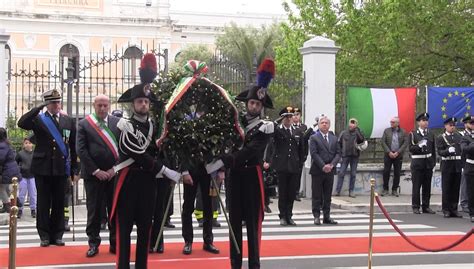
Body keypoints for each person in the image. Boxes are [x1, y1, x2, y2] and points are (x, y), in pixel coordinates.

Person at [110, 53, 181, 269]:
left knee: (145, 229)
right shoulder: (124, 125)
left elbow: (152, 151)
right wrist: (165, 170)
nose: (143, 104)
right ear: (133, 104)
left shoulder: (152, 126)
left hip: (148, 185)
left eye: (146, 101)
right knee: (124, 232)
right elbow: (135, 153)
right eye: (139, 101)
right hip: (128, 182)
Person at [205, 58, 275, 269]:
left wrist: (222, 162)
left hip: (252, 178)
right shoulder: (235, 124)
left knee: (253, 225)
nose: (253, 106)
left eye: (257, 104)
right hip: (235, 178)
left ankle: (254, 264)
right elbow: (226, 144)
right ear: (246, 104)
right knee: (234, 223)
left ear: (261, 106)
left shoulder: (264, 127)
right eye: (251, 103)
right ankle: (235, 263)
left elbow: (249, 152)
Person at [17, 89, 78, 247]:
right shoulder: (39, 120)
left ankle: (57, 234)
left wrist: (74, 170)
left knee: (59, 202)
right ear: (47, 104)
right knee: (43, 203)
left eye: (58, 101)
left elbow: (73, 146)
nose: (56, 104)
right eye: (52, 102)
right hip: (42, 168)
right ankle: (44, 235)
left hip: (60, 168)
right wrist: (38, 107)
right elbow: (22, 123)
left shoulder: (68, 121)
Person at [76, 94, 120, 257]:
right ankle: (93, 243)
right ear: (94, 106)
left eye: (105, 105)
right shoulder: (84, 124)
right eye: (99, 105)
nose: (102, 108)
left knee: (114, 209)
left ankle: (115, 243)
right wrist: (96, 171)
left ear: (109, 106)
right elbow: (81, 150)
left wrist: (113, 169)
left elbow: (123, 148)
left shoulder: (117, 123)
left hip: (113, 175)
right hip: (93, 176)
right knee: (94, 211)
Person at [264, 106, 304, 226]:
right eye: (286, 117)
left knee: (291, 193)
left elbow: (302, 149)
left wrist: (300, 162)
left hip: (294, 166)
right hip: (282, 166)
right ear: (282, 118)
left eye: (290, 117)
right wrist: (278, 120)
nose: (288, 119)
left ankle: (289, 215)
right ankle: (282, 216)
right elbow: (271, 139)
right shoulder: (278, 130)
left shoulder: (297, 131)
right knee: (282, 193)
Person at [309, 115, 341, 225]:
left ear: (329, 125)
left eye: (326, 123)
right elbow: (314, 153)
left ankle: (327, 216)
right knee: (317, 194)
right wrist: (323, 166)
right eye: (322, 122)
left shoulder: (334, 138)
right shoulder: (314, 137)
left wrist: (332, 165)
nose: (324, 124)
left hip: (330, 170)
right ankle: (316, 216)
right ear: (318, 125)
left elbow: (338, 153)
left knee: (327, 195)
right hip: (318, 170)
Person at [409, 112, 436, 215]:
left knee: (427, 186)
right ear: (418, 122)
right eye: (423, 121)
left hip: (428, 163)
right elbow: (411, 149)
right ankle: (416, 206)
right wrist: (419, 146)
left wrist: (433, 163)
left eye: (426, 121)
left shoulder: (430, 133)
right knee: (416, 186)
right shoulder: (413, 134)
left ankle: (426, 206)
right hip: (418, 163)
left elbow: (433, 150)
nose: (425, 123)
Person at [436, 117, 463, 218]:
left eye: (453, 125)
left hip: (457, 164)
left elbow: (462, 151)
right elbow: (439, 152)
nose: (452, 127)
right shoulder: (441, 137)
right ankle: (446, 209)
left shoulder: (458, 136)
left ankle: (454, 209)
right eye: (450, 125)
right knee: (447, 188)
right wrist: (447, 151)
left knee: (455, 188)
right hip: (447, 165)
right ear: (446, 126)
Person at [335, 118, 365, 198]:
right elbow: (338, 143)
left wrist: (357, 129)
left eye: (354, 123)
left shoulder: (358, 132)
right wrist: (340, 154)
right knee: (341, 173)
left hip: (355, 156)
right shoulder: (344, 133)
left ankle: (351, 191)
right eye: (351, 123)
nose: (351, 124)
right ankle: (338, 190)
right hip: (345, 156)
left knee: (353, 174)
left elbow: (362, 140)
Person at [381, 117, 408, 197]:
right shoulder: (387, 131)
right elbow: (383, 142)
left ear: (397, 123)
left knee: (397, 173)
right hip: (388, 155)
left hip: (398, 155)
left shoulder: (403, 131)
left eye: (393, 122)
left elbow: (405, 143)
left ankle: (394, 190)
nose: (391, 123)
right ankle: (385, 189)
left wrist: (398, 152)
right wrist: (389, 152)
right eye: (391, 122)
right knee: (386, 172)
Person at [0, 128, 21, 214]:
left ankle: (7, 205)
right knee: (9, 189)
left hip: (7, 170)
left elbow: (0, 158)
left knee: (2, 188)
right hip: (12, 169)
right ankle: (16, 202)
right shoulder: (6, 143)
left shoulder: (2, 145)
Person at [16, 137, 37, 218]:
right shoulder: (20, 154)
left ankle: (33, 209)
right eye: (26, 143)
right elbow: (15, 163)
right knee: (21, 194)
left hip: (32, 176)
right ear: (23, 145)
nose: (28, 144)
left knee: (33, 194)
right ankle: (20, 209)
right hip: (23, 176)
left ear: (32, 144)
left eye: (29, 143)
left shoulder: (35, 153)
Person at [292, 107, 309, 201]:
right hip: (291, 155)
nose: (295, 117)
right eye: (293, 115)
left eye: (297, 115)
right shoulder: (289, 127)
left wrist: (305, 155)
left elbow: (305, 143)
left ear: (300, 116)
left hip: (300, 155)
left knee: (298, 175)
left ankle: (296, 193)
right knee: (290, 174)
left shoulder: (303, 127)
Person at [459, 116, 474, 223]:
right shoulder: (466, 137)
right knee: (471, 191)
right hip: (471, 167)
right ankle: (472, 213)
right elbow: (465, 149)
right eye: (472, 123)